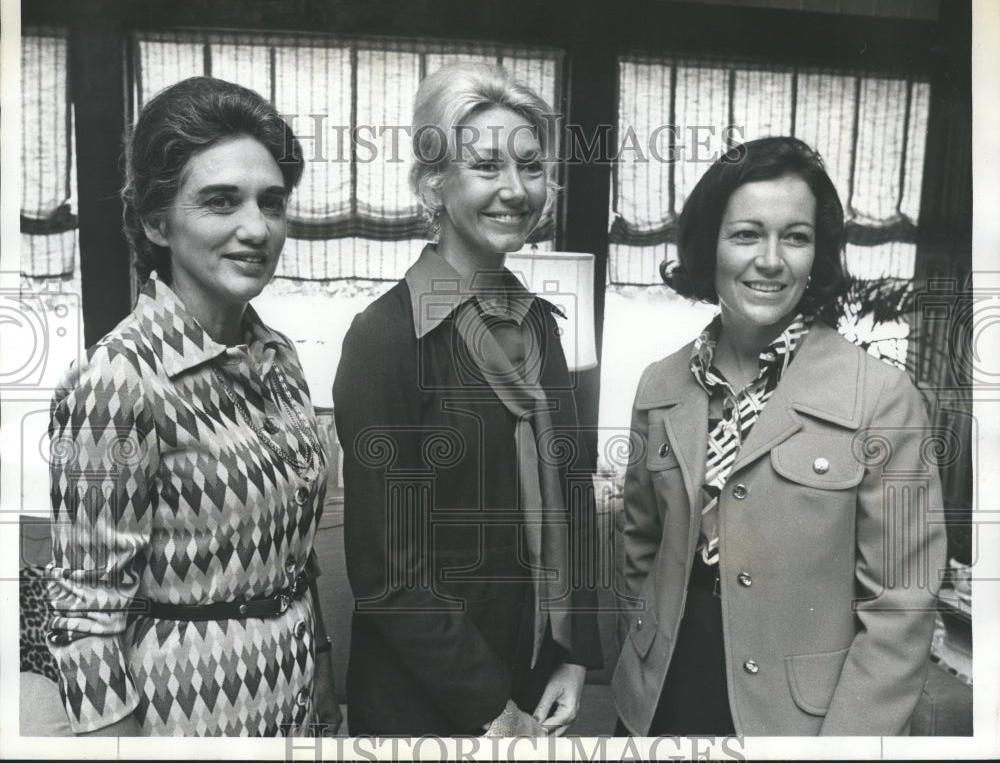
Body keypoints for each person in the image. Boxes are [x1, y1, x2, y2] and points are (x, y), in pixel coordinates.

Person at [611, 136, 947, 736]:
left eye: (795, 237)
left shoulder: (881, 398)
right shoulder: (659, 384)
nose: (771, 260)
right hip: (657, 699)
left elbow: (901, 607)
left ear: (817, 253)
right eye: (746, 234)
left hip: (801, 722)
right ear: (708, 245)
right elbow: (640, 548)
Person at [45, 76, 340, 737]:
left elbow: (297, 550)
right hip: (188, 720)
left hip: (294, 705)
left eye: (272, 202)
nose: (256, 228)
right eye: (220, 202)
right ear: (157, 222)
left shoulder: (281, 359)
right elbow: (82, 617)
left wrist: (320, 664)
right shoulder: (117, 383)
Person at [333, 62, 603, 737]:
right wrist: (491, 707)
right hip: (426, 706)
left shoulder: (540, 324)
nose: (517, 190)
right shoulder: (387, 337)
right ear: (434, 182)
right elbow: (389, 571)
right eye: (486, 166)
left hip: (534, 685)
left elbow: (573, 495)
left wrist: (574, 656)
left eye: (532, 166)